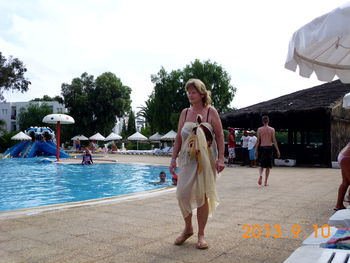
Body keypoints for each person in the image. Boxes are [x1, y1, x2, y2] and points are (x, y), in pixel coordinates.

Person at [169, 78, 225, 250]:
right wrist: (173, 158)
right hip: (187, 159)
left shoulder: (210, 112)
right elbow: (179, 137)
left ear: (202, 93)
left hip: (206, 159)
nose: (190, 95)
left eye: (193, 92)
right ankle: (188, 228)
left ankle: (201, 234)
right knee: (181, 194)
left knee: (202, 196)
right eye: (188, 92)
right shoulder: (185, 113)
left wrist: (221, 158)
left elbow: (220, 136)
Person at [255, 115, 280, 186]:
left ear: (262, 121)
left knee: (261, 164)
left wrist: (256, 150)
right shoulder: (272, 129)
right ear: (268, 121)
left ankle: (260, 175)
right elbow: (274, 140)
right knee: (268, 166)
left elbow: (258, 141)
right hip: (269, 147)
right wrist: (278, 150)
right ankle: (265, 182)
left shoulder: (259, 129)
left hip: (262, 147)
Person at [335, 143, 350, 210]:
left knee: (345, 182)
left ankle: (339, 205)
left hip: (343, 155)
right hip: (347, 158)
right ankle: (348, 198)